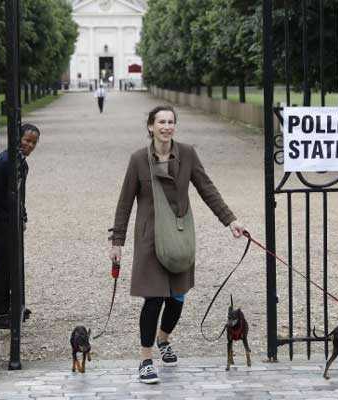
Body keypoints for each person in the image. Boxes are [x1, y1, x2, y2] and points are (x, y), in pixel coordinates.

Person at [108, 105, 245, 384]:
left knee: (177, 298)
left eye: (171, 122)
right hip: (150, 238)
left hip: (180, 234)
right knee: (154, 298)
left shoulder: (188, 154)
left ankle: (163, 339)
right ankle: (146, 360)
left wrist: (230, 220)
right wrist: (117, 241)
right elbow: (124, 203)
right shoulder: (138, 160)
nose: (166, 126)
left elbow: (207, 189)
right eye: (161, 122)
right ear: (150, 126)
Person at [0, 123, 40, 328]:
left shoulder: (21, 164)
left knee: (11, 265)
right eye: (27, 140)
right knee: (0, 265)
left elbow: (19, 196)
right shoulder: (5, 162)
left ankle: (9, 308)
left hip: (11, 222)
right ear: (17, 139)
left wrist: (22, 216)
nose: (30, 145)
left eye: (34, 142)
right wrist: (1, 214)